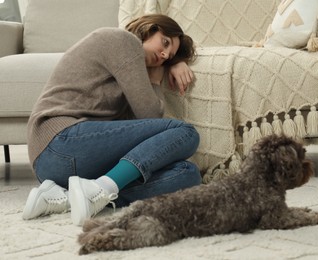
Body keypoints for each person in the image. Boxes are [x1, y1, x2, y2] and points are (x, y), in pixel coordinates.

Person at [22, 14, 201, 226]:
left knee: (187, 175)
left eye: (168, 56)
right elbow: (150, 116)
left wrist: (175, 62)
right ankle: (103, 188)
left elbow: (138, 135)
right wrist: (158, 74)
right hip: (60, 141)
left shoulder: (130, 70)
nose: (163, 54)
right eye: (165, 43)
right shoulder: (122, 41)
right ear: (150, 28)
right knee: (185, 132)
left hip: (60, 164)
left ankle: (69, 197)